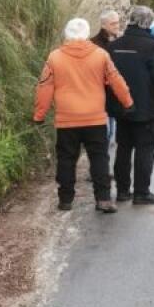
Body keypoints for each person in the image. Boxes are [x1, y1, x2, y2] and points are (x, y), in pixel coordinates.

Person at [34, 17, 134, 213]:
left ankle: (65, 200)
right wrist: (128, 102)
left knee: (66, 160)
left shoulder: (55, 57)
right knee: (99, 159)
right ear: (87, 33)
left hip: (66, 120)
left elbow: (44, 87)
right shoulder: (100, 55)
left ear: (66, 34)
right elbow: (116, 80)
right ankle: (103, 199)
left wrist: (39, 115)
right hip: (94, 118)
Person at [108, 5, 154, 204]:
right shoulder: (152, 47)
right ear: (148, 23)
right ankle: (141, 192)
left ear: (131, 20)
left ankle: (122, 191)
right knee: (145, 150)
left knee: (123, 149)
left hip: (121, 108)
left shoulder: (114, 46)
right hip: (146, 109)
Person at [92, 11, 122, 144]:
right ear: (104, 25)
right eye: (113, 23)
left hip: (115, 91)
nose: (117, 26)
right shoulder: (94, 43)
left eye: (118, 22)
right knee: (107, 132)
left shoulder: (121, 41)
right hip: (100, 91)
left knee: (112, 130)